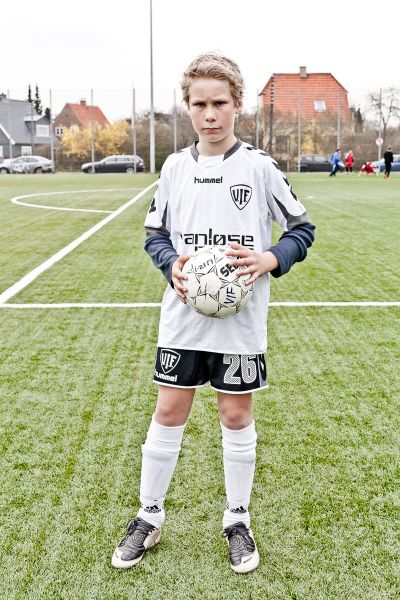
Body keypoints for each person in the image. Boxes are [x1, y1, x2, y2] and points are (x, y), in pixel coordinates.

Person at [111, 53, 315, 574]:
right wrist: (171, 265)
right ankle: (149, 516)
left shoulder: (260, 168)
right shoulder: (175, 168)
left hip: (240, 324)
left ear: (237, 105)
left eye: (219, 103)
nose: (209, 114)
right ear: (188, 107)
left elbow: (301, 230)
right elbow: (155, 234)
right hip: (183, 319)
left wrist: (270, 258)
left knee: (235, 415)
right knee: (169, 411)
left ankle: (237, 520)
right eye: (199, 104)